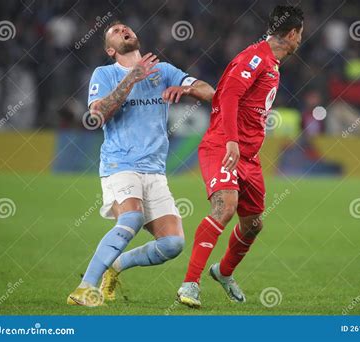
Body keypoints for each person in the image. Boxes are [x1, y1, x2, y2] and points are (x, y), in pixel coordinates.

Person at [67, 21, 215, 306]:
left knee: (173, 244)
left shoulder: (165, 71)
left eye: (126, 27)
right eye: (115, 30)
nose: (123, 29)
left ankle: (117, 265)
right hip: (120, 164)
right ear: (111, 49)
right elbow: (97, 115)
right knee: (132, 218)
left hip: (155, 171)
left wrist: (188, 90)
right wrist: (131, 79)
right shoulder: (105, 73)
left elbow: (208, 92)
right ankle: (85, 286)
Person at [177, 5, 304, 308]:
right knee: (225, 207)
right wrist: (232, 140)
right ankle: (189, 284)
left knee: (254, 224)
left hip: (248, 156)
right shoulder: (256, 57)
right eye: (301, 34)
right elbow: (229, 93)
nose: (301, 40)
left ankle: (222, 272)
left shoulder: (271, 63)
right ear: (292, 34)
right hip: (223, 146)